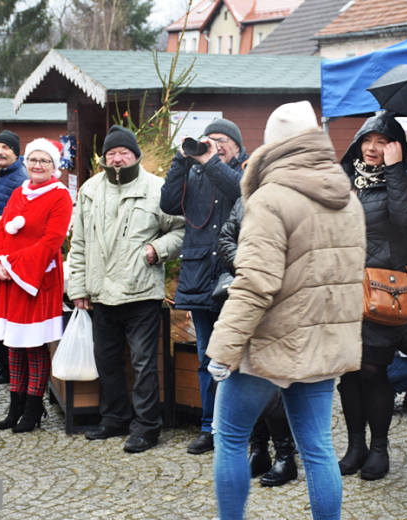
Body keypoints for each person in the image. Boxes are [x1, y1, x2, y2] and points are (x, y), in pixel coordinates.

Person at [206, 101, 366, 519]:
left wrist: (223, 348)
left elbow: (255, 282)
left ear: (271, 145)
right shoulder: (347, 198)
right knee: (317, 448)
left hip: (271, 345)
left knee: (230, 437)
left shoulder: (270, 198)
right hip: (321, 342)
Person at [69, 125, 185, 452]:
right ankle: (114, 417)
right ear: (104, 158)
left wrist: (157, 250)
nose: (117, 158)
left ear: (135, 155)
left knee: (144, 363)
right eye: (111, 153)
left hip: (141, 293)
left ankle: (147, 427)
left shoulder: (157, 189)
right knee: (107, 360)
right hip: (101, 294)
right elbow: (78, 244)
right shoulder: (90, 190)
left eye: (124, 152)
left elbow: (180, 231)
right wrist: (77, 287)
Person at [335, 112, 407, 481]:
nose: (373, 148)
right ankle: (355, 446)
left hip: (383, 290)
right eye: (367, 140)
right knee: (348, 372)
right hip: (345, 290)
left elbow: (405, 220)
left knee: (374, 370)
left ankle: (379, 448)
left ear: (396, 146)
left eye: (383, 141)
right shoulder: (346, 178)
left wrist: (394, 170)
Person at [160, 118, 248, 455]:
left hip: (234, 278)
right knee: (205, 358)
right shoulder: (193, 171)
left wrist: (211, 162)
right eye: (210, 139)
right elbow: (168, 204)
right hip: (199, 277)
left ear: (237, 146)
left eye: (224, 140)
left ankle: (241, 427)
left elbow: (242, 193)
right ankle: (209, 428)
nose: (216, 144)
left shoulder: (245, 171)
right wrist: (180, 160)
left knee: (240, 358)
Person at [0, 138, 72, 434]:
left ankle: (34, 408)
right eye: (33, 160)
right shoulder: (18, 191)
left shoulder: (60, 196)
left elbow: (52, 241)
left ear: (54, 167)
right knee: (13, 345)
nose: (38, 165)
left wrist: (12, 265)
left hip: (37, 278)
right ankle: (16, 406)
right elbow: (0, 230)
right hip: (10, 278)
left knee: (34, 346)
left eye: (44, 161)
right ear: (26, 163)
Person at [217, 196, 297, 487]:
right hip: (246, 294)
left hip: (282, 300)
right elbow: (226, 236)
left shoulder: (292, 198)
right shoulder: (244, 199)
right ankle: (259, 449)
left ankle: (286, 457)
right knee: (246, 372)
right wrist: (246, 263)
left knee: (273, 381)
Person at [0, 130, 28, 387]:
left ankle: (8, 367)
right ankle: (3, 364)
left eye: (5, 148)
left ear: (15, 152)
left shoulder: (18, 179)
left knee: (4, 312)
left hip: (8, 256)